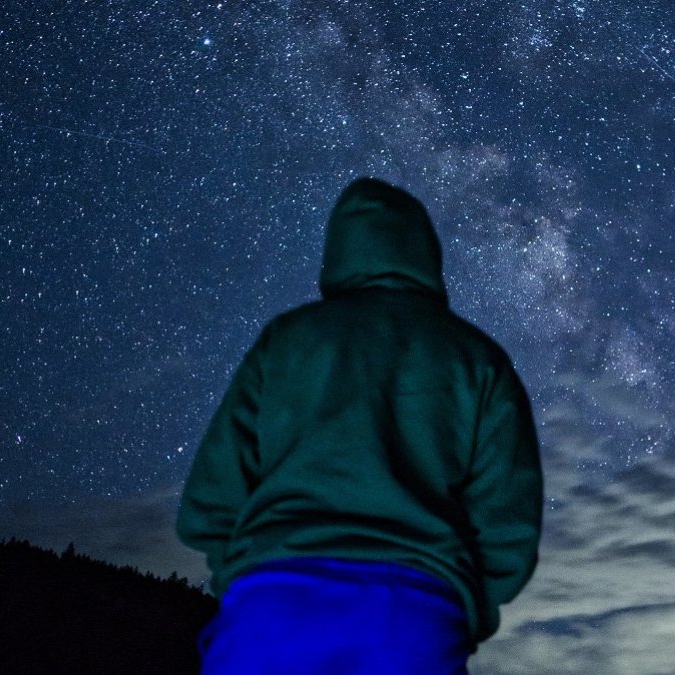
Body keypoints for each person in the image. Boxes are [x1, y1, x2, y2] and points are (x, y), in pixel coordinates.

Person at [176, 177, 544, 674]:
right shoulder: (478, 360)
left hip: (270, 611)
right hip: (412, 618)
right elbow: (508, 527)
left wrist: (249, 572)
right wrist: (458, 609)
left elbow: (208, 502)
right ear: (425, 252)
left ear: (337, 252)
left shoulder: (286, 341)